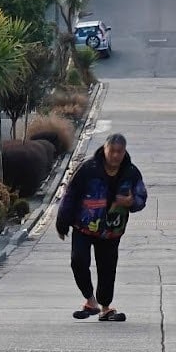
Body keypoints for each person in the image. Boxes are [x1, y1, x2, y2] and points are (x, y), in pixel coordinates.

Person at [56, 133, 147, 322]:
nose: (115, 155)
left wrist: (131, 202)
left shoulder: (131, 172)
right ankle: (90, 301)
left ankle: (105, 307)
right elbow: (70, 195)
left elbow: (141, 198)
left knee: (107, 269)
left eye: (119, 152)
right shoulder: (88, 169)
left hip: (111, 231)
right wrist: (62, 222)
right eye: (111, 151)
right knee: (78, 261)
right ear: (104, 150)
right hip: (84, 227)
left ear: (124, 152)